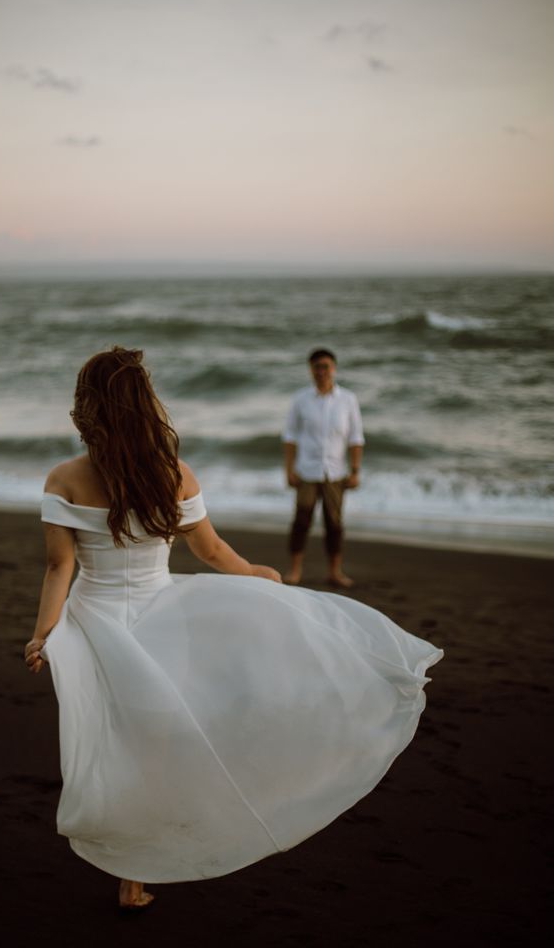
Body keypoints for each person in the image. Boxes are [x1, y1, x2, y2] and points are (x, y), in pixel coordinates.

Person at [24, 347, 441, 911]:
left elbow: (59, 567)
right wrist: (255, 576)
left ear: (87, 409)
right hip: (163, 622)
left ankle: (129, 863)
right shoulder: (173, 474)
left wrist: (43, 633)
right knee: (162, 743)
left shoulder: (65, 478)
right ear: (147, 405)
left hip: (94, 625)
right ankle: (136, 874)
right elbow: (211, 550)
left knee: (112, 742)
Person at [283, 348, 364, 588]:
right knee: (301, 522)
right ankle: (295, 570)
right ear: (311, 370)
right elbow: (289, 437)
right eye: (317, 367)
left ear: (334, 369)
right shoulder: (301, 400)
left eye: (326, 366)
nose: (321, 371)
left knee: (335, 525)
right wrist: (289, 469)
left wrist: (356, 470)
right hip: (307, 472)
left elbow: (355, 438)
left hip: (336, 472)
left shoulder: (348, 400)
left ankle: (335, 572)